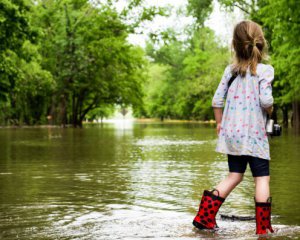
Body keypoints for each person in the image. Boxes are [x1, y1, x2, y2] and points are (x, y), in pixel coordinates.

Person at [192, 20, 275, 235]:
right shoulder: (265, 71)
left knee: (234, 175)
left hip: (233, 135)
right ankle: (263, 228)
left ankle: (204, 217)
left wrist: (220, 123)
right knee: (262, 178)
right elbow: (266, 102)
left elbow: (216, 101)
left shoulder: (230, 71)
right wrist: (271, 110)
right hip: (255, 135)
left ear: (235, 45)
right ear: (260, 44)